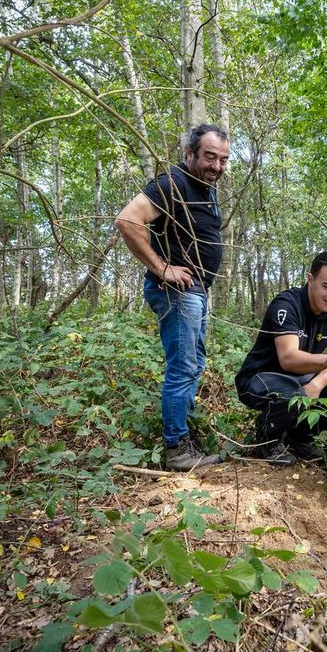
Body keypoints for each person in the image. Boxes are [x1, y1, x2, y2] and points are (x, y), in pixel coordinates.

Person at [115, 123, 229, 471]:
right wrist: (164, 269)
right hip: (176, 290)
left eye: (223, 160)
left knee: (195, 361)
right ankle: (177, 450)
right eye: (210, 157)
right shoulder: (172, 183)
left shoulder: (205, 188)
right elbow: (128, 220)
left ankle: (183, 435)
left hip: (195, 292)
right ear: (190, 154)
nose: (217, 166)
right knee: (183, 366)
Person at [235, 250, 327, 464]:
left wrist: (318, 383)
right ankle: (267, 439)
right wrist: (325, 361)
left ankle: (300, 438)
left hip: (302, 379)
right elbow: (288, 358)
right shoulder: (286, 304)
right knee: (292, 392)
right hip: (258, 378)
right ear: (311, 279)